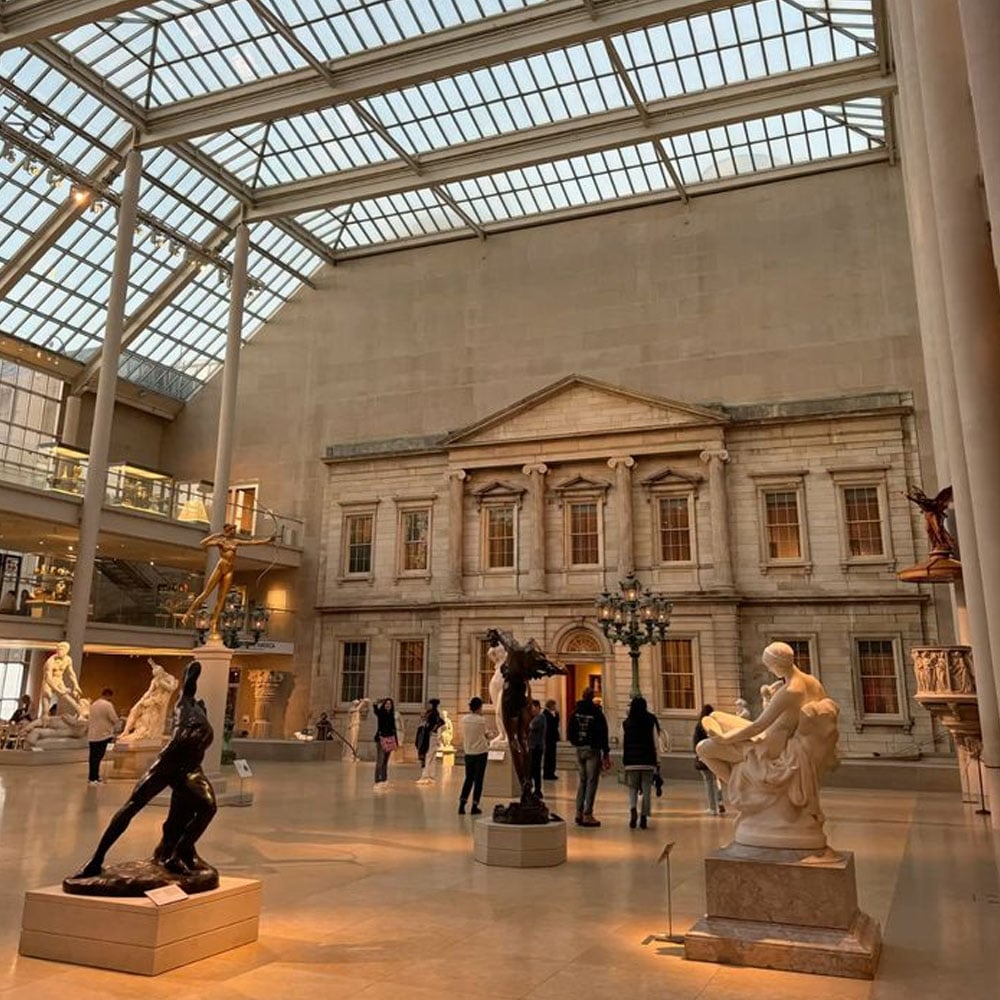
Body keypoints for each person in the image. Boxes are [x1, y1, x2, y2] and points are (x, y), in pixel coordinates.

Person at [75, 661, 217, 878]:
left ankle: (179, 852)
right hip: (169, 762)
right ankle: (96, 859)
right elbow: (191, 676)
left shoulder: (201, 714)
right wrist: (193, 670)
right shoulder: (184, 703)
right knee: (133, 805)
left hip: (191, 768)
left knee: (207, 807)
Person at [696, 642, 840, 850]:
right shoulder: (811, 682)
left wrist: (726, 739)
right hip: (774, 735)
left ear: (777, 664)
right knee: (716, 716)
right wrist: (767, 700)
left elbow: (758, 726)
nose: (769, 670)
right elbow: (788, 717)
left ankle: (746, 793)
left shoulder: (791, 689)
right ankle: (746, 787)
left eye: (769, 666)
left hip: (766, 746)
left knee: (703, 748)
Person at [181, 523, 276, 636]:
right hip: (221, 567)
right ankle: (188, 613)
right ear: (227, 530)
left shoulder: (235, 542)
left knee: (221, 598)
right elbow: (203, 544)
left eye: (234, 530)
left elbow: (252, 542)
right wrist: (215, 535)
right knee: (206, 593)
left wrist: (268, 540)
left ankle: (214, 623)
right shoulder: (220, 541)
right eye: (232, 530)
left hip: (230, 569)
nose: (234, 532)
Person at [567, 687, 610, 827]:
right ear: (592, 697)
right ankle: (588, 814)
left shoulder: (575, 712)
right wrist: (606, 753)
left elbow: (570, 730)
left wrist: (575, 742)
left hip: (579, 749)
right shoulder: (596, 713)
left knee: (582, 781)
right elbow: (603, 733)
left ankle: (578, 812)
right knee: (592, 782)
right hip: (592, 749)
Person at [622, 696, 660, 829]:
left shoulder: (627, 722)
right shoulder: (650, 720)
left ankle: (633, 810)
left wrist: (625, 761)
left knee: (632, 788)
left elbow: (625, 743)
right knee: (647, 789)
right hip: (648, 760)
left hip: (631, 761)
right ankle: (644, 816)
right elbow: (656, 742)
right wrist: (658, 761)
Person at [458, 697, 490, 815]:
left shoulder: (464, 719)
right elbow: (485, 734)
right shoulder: (481, 720)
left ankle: (462, 804)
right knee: (479, 780)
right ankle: (475, 805)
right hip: (481, 752)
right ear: (478, 707)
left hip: (469, 752)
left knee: (468, 779)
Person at [693, 704, 725, 815]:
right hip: (717, 756)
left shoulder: (699, 726)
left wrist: (697, 755)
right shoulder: (716, 725)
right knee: (718, 780)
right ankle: (720, 801)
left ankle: (712, 808)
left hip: (704, 757)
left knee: (708, 782)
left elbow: (695, 742)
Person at [86, 688, 119, 785]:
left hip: (92, 735)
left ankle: (92, 777)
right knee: (98, 757)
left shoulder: (94, 704)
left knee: (93, 757)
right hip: (103, 734)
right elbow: (113, 718)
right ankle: (94, 778)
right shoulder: (107, 705)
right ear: (109, 696)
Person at [417, 698, 445, 784]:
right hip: (431, 736)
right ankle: (431, 775)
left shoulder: (433, 714)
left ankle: (426, 775)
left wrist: (432, 729)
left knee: (428, 755)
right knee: (431, 756)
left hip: (430, 736)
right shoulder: (434, 713)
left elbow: (440, 723)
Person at [372, 697, 398, 787]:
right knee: (380, 760)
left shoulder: (392, 715)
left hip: (390, 739)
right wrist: (380, 701)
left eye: (389, 704)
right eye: (386, 704)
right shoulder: (381, 713)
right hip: (381, 738)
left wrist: (396, 741)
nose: (388, 705)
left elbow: (394, 729)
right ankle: (377, 779)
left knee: (386, 761)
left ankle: (384, 779)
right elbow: (374, 706)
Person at [527, 699, 545, 797]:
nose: (532, 710)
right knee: (533, 769)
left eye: (533, 708)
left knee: (535, 769)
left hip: (536, 747)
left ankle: (537, 790)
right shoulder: (536, 717)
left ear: (537, 707)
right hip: (533, 746)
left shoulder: (540, 718)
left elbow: (531, 726)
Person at [542, 698, 560, 780]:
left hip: (553, 737)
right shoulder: (545, 714)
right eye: (554, 705)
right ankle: (547, 773)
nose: (555, 707)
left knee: (553, 756)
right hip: (548, 737)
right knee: (548, 756)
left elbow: (556, 724)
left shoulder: (554, 714)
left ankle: (552, 772)